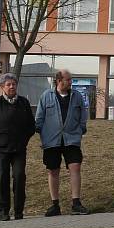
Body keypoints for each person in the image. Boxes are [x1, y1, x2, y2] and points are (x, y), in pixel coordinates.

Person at [0, 73, 35, 221]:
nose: (12, 87)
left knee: (19, 177)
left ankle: (18, 211)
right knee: (1, 180)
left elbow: (31, 125)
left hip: (19, 149)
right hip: (0, 149)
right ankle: (2, 211)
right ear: (2, 87)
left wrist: (24, 139)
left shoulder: (23, 103)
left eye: (14, 84)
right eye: (8, 84)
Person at [35, 69, 90, 216]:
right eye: (68, 79)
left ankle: (76, 203)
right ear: (59, 81)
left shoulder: (77, 96)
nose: (71, 82)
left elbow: (83, 115)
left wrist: (81, 129)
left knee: (75, 167)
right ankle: (55, 205)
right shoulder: (47, 96)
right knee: (53, 170)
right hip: (52, 141)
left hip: (71, 139)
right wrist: (42, 136)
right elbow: (39, 118)